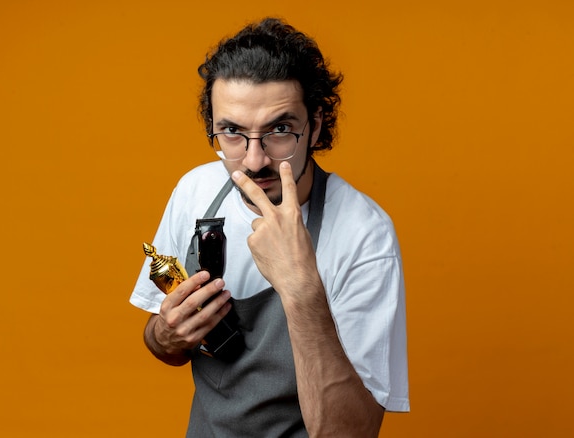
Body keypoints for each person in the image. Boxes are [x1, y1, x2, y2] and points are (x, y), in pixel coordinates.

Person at [130, 17, 409, 437]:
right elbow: (161, 344)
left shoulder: (364, 236)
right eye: (232, 132)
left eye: (280, 130)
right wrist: (167, 335)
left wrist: (300, 288)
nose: (255, 159)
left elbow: (349, 434)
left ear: (314, 125)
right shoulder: (194, 192)